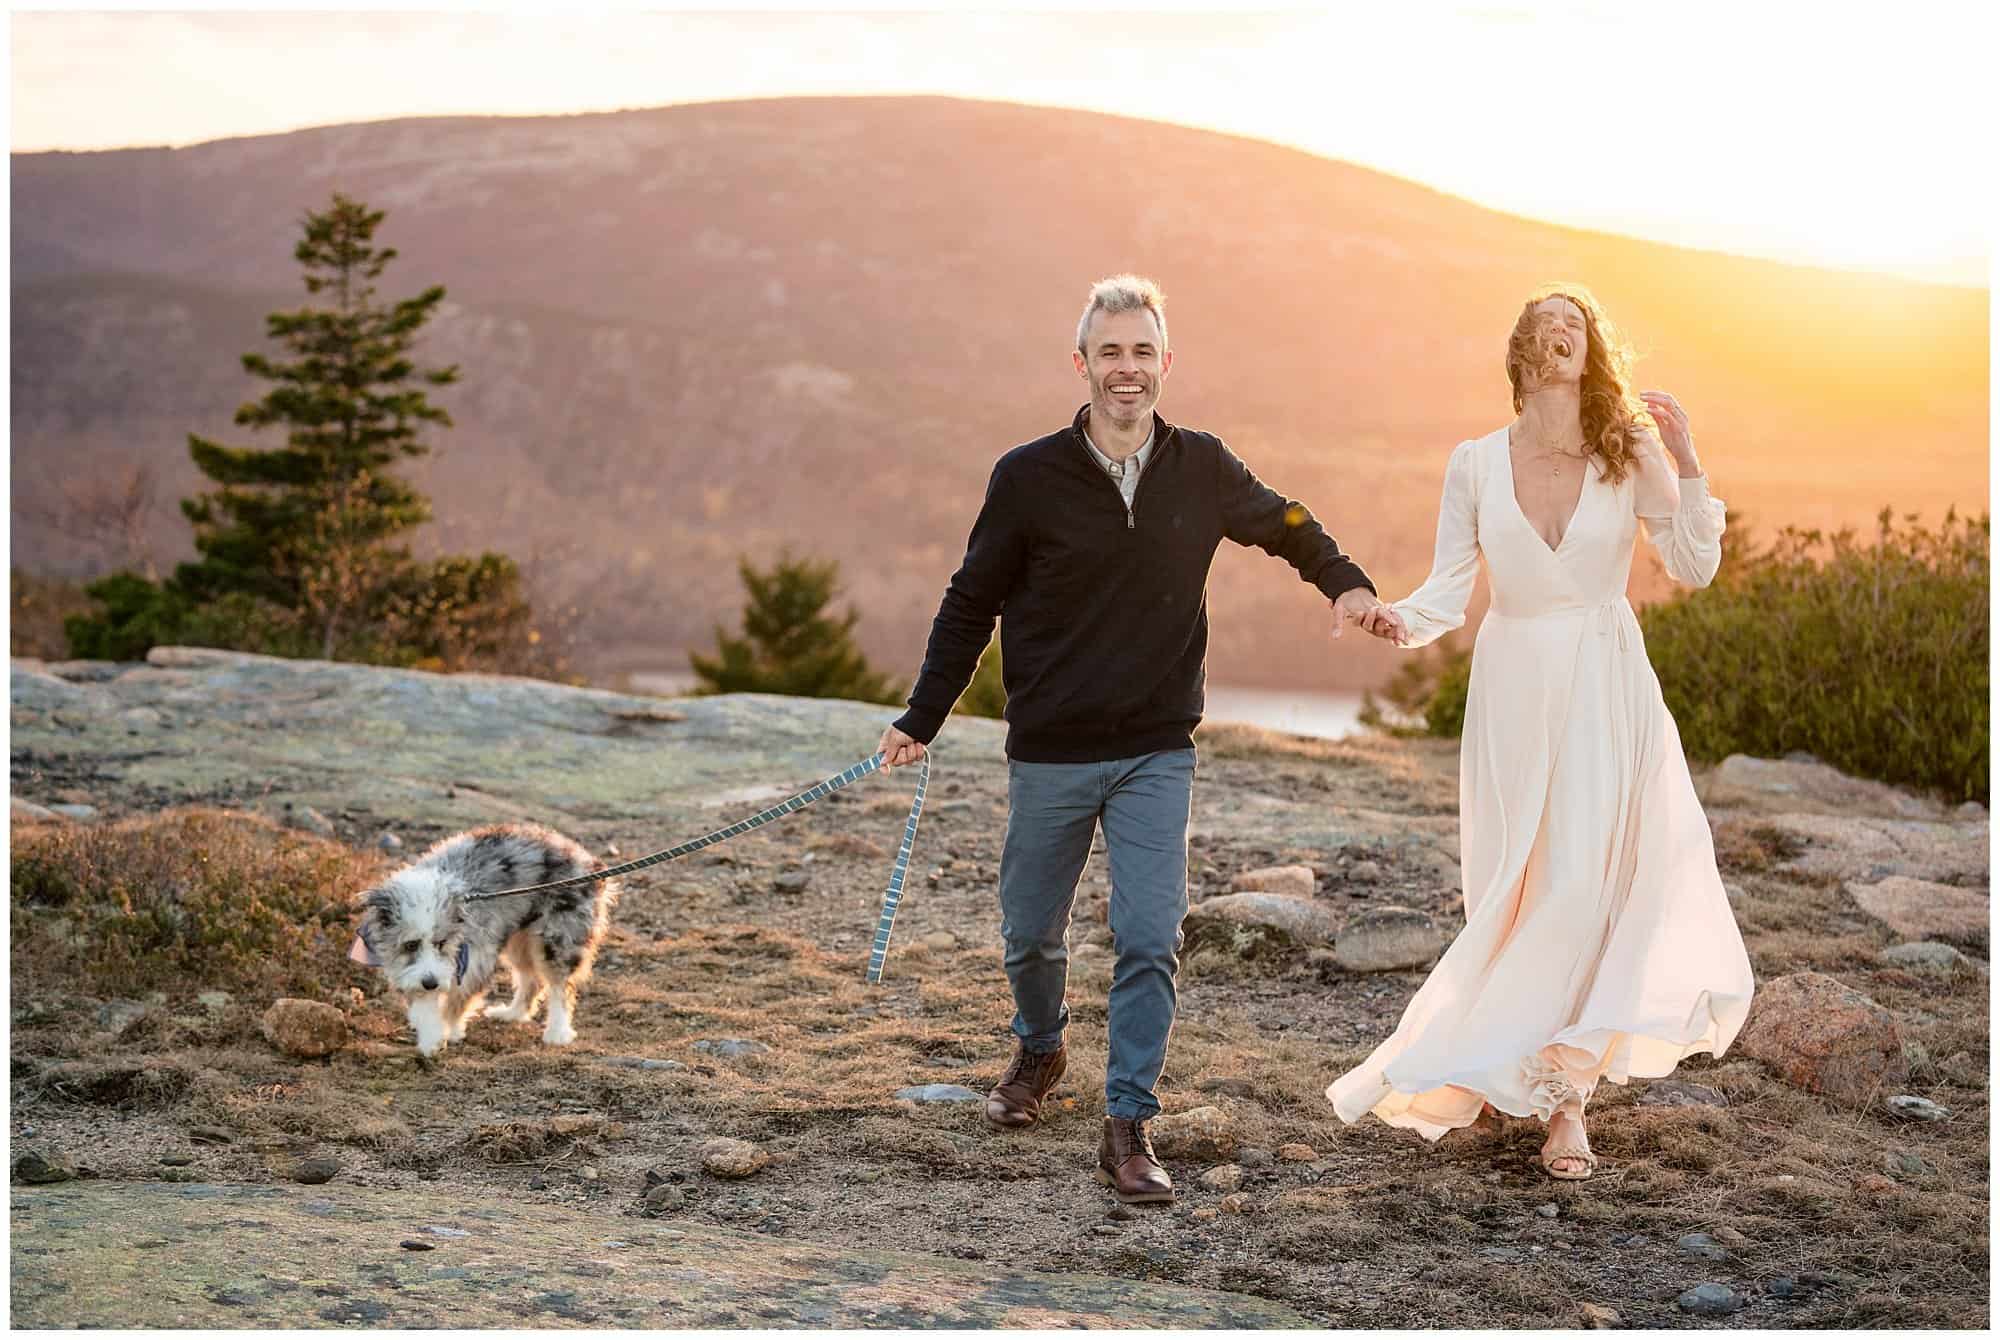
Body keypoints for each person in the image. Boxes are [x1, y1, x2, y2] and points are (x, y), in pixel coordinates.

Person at [877, 274, 1389, 1204]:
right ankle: (1040, 1049)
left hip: (1158, 748)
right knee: (1030, 934)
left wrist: (1345, 582)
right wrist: (923, 716)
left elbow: (1286, 522)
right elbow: (969, 602)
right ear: (1082, 364)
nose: (1127, 369)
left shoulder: (1202, 465)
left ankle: (1129, 1122)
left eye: (1142, 352)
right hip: (1052, 751)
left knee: (1149, 935)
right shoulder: (1027, 477)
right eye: (1109, 351)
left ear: (1165, 364)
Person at [1328, 285, 1755, 1180]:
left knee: (1584, 880)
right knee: (1513, 885)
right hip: (1514, 683)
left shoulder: (1626, 447)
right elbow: (1449, 590)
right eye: (1548, 326)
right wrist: (1394, 619)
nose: (1565, 335)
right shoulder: (1476, 463)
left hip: (1605, 675)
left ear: (1591, 353)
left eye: (1580, 326)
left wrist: (1687, 458)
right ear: (1521, 356)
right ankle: (1503, 1056)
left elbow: (1693, 565)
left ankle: (1567, 1103)